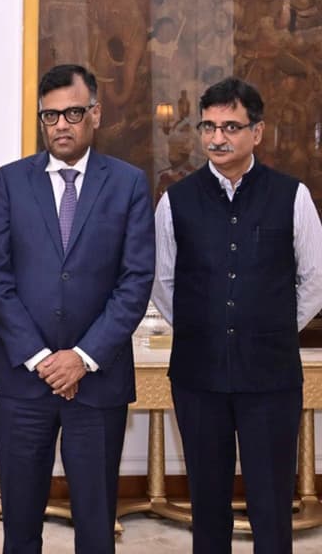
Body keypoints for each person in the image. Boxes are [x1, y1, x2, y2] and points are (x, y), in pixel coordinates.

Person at [0, 64, 154, 554]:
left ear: (95, 114)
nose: (61, 124)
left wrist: (81, 357)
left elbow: (135, 280)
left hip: (97, 384)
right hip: (22, 381)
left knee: (97, 528)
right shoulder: (11, 181)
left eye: (73, 113)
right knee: (19, 527)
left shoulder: (128, 184)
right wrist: (42, 359)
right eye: (50, 115)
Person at [153, 77, 322, 554]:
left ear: (257, 132)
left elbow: (315, 280)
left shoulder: (292, 196)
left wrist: (268, 329)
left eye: (230, 126)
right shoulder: (175, 200)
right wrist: (203, 328)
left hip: (270, 378)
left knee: (271, 506)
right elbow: (163, 283)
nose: (217, 137)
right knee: (207, 506)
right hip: (198, 378)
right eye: (208, 126)